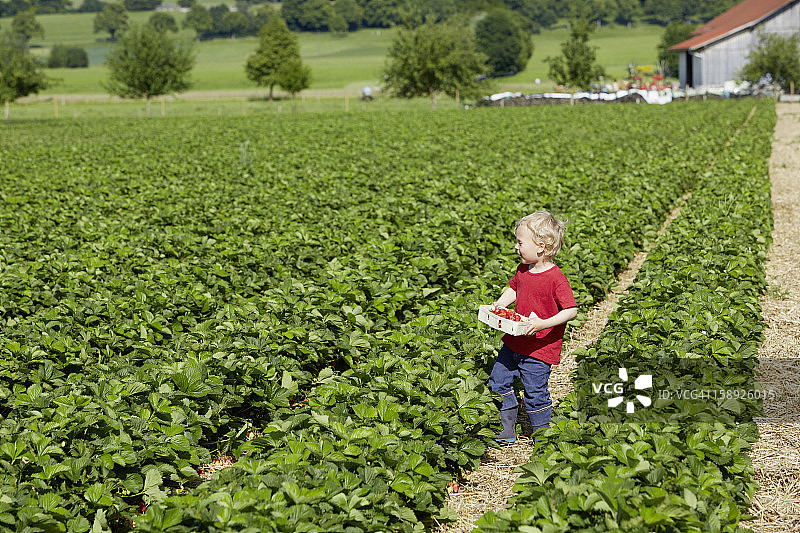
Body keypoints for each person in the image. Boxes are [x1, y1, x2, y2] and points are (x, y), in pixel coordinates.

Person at [488, 211, 578, 444]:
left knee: (535, 394)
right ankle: (507, 428)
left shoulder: (556, 278)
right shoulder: (523, 270)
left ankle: (541, 437)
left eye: (520, 242)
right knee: (498, 380)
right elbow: (514, 288)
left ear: (540, 246)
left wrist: (541, 324)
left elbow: (571, 310)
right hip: (514, 340)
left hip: (539, 348)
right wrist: (499, 304)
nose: (516, 247)